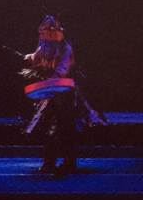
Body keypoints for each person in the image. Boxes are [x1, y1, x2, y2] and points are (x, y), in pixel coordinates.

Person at [20, 15, 107, 176]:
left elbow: (62, 70)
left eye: (47, 31)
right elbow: (37, 58)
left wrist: (49, 81)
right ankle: (49, 162)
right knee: (49, 128)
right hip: (50, 94)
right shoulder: (44, 46)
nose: (43, 34)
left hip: (66, 95)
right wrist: (30, 58)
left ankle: (69, 163)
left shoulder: (65, 48)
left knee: (66, 129)